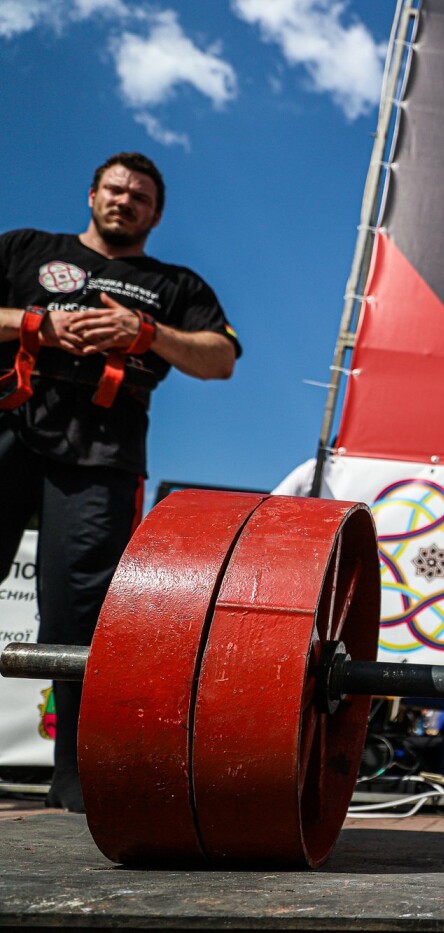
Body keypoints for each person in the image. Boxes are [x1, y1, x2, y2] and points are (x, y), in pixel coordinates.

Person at [0, 152, 240, 812]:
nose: (124, 201)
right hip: (9, 423)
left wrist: (147, 332)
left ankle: (74, 782)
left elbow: (220, 358)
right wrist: (34, 324)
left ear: (155, 214)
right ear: (91, 193)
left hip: (102, 452)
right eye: (115, 189)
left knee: (79, 620)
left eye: (139, 196)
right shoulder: (25, 248)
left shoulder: (173, 283)